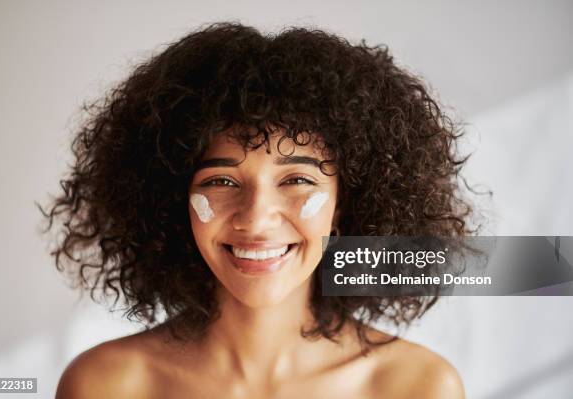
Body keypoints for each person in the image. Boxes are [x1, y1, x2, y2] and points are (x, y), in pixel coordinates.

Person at [40, 22, 475, 398]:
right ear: (172, 201)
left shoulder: (417, 387)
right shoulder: (106, 386)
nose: (256, 217)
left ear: (347, 204)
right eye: (222, 181)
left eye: (297, 180)